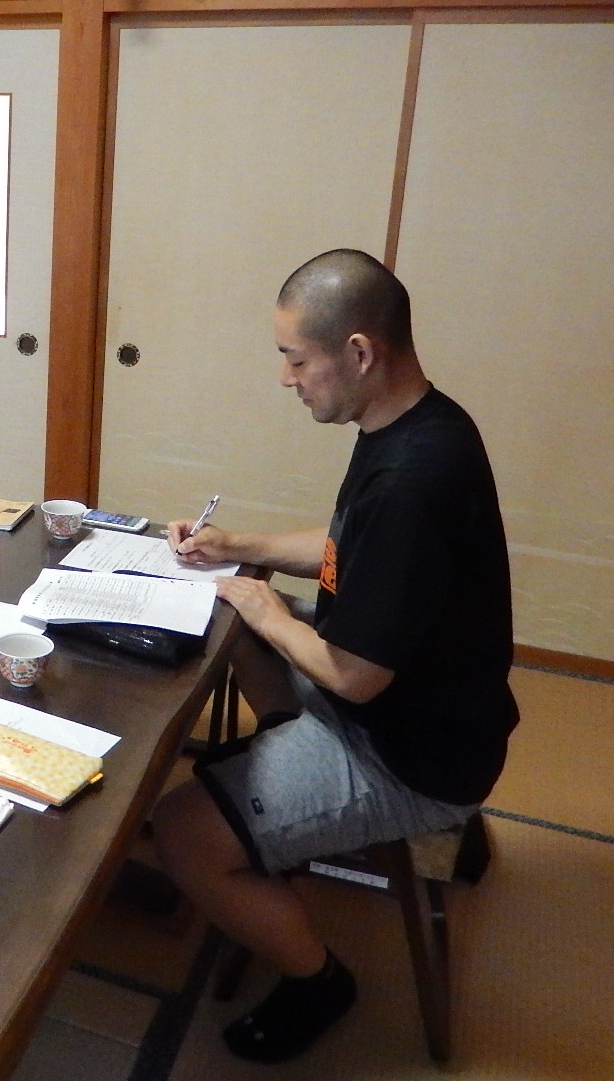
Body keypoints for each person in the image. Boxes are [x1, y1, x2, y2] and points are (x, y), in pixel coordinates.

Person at [151, 248, 518, 1063]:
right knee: (245, 617)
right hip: (428, 709)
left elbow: (355, 675)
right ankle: (281, 775)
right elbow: (349, 543)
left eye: (295, 359)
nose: (285, 378)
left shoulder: (416, 479)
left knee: (179, 831)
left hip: (411, 756)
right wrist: (238, 547)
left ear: (358, 352)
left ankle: (318, 981)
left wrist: (264, 606)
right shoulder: (421, 423)